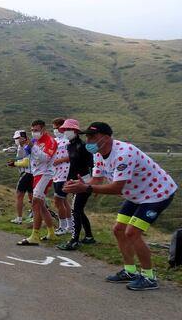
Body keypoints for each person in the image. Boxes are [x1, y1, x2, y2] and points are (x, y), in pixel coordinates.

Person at [64, 122, 176, 290]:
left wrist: (86, 187)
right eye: (87, 136)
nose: (88, 140)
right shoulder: (99, 154)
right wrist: (82, 184)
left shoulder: (124, 153)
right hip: (136, 195)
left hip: (157, 193)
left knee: (132, 232)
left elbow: (117, 188)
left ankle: (149, 277)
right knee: (118, 229)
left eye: (92, 136)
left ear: (106, 138)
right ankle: (130, 271)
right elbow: (96, 181)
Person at [56, 119, 95, 251]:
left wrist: (90, 183)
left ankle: (74, 240)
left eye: (68, 130)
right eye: (64, 130)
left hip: (84, 181)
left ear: (76, 131)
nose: (66, 132)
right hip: (74, 181)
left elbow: (92, 165)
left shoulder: (83, 146)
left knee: (75, 210)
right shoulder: (70, 146)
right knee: (78, 210)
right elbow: (73, 166)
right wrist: (69, 180)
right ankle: (89, 237)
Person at [17, 120, 57, 246]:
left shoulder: (50, 141)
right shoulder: (34, 141)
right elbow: (24, 155)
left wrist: (32, 146)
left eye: (37, 130)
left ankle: (35, 235)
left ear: (44, 130)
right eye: (32, 130)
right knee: (41, 205)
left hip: (46, 174)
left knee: (35, 202)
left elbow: (45, 158)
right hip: (36, 174)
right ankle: (51, 233)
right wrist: (22, 144)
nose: (34, 133)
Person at [50, 118, 72, 235]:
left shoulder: (68, 140)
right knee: (63, 201)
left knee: (58, 200)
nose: (55, 130)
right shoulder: (54, 141)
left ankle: (63, 226)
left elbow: (72, 156)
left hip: (65, 172)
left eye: (57, 127)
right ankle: (70, 225)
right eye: (53, 128)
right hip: (56, 173)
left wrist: (60, 160)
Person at [7, 130, 33, 224]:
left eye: (18, 138)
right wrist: (14, 162)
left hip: (27, 173)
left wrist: (14, 163)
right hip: (32, 174)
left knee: (19, 195)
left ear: (24, 138)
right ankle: (34, 215)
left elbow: (25, 162)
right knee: (31, 195)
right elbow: (21, 159)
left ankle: (19, 218)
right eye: (15, 138)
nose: (16, 140)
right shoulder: (20, 147)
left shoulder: (27, 146)